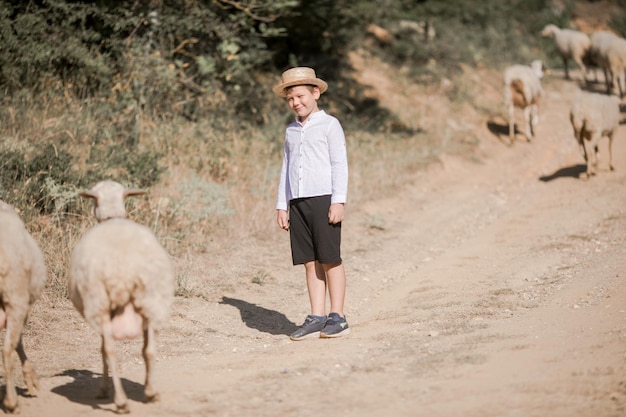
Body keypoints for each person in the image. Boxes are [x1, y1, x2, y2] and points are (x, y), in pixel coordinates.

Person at [273, 67, 350, 341]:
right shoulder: (291, 130)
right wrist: (282, 204)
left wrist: (338, 200)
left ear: (315, 93)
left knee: (330, 259)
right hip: (298, 201)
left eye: (301, 96)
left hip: (324, 199)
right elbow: (286, 167)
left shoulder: (330, 125)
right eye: (291, 98)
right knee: (309, 261)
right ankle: (317, 316)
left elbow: (340, 164)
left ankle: (337, 316)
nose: (296, 102)